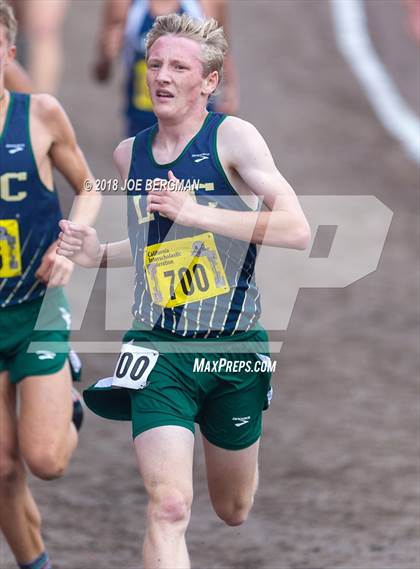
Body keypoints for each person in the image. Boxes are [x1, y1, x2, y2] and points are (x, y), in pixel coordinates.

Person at [58, 13, 310, 569]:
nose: (163, 77)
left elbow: (297, 229)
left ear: (210, 82)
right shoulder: (131, 155)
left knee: (233, 508)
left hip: (234, 348)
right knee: (169, 506)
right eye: (154, 65)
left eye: (179, 66)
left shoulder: (234, 139)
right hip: (159, 346)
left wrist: (199, 212)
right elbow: (154, 241)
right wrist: (98, 254)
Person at [0, 2, 101, 568]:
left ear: (9, 55)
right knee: (1, 470)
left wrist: (70, 243)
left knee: (46, 460)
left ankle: (70, 394)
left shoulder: (38, 114)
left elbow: (92, 186)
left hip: (34, 308)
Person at [93, 0, 239, 136]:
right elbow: (101, 74)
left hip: (196, 123)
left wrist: (230, 91)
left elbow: (222, 52)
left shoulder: (207, 4)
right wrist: (107, 56)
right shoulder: (122, 4)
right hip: (142, 122)